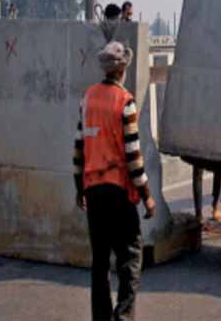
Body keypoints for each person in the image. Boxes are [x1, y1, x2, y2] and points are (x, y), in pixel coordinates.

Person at [73, 41, 156, 321]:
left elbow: (79, 148)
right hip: (119, 191)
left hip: (93, 191)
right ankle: (123, 317)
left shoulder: (87, 98)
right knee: (130, 258)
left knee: (99, 261)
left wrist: (78, 189)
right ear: (122, 70)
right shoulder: (125, 102)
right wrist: (147, 195)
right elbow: (133, 156)